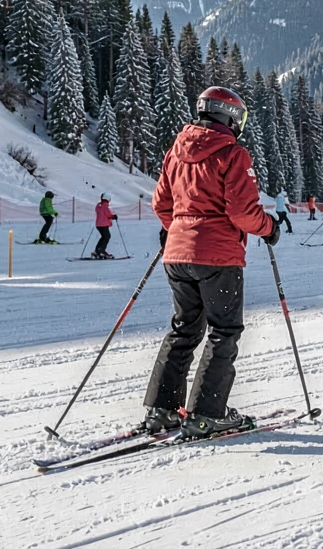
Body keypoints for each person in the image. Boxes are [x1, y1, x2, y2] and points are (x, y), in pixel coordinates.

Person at [140, 86, 281, 439]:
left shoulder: (176, 151)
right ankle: (206, 413)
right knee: (224, 331)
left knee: (184, 328)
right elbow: (241, 210)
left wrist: (176, 229)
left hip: (177, 255)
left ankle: (162, 409)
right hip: (217, 255)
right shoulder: (233, 154)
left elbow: (162, 204)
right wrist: (268, 228)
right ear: (231, 118)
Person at [94, 194, 118, 259]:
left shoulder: (98, 206)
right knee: (107, 237)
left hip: (98, 225)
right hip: (103, 225)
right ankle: (101, 251)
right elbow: (108, 215)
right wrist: (114, 216)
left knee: (104, 237)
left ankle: (98, 250)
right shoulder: (105, 206)